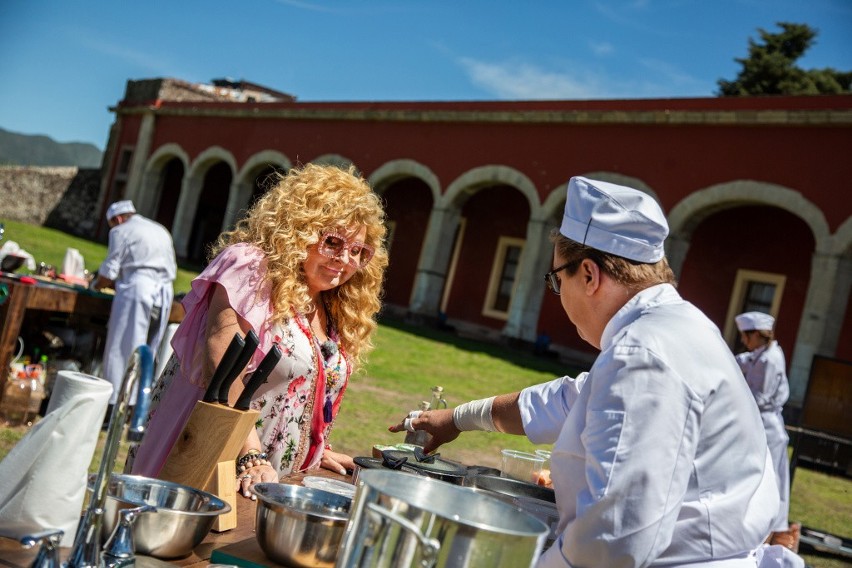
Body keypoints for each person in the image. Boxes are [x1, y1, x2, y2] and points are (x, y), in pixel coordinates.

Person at [391, 176, 802, 567]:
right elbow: (568, 400)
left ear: (588, 275)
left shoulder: (645, 352)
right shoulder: (671, 328)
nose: (557, 294)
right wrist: (458, 418)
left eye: (556, 279)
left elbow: (612, 539)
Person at [126, 163, 387, 499]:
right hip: (217, 456)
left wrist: (315, 446)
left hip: (271, 473)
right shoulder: (252, 267)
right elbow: (221, 363)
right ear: (300, 229)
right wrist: (249, 453)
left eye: (357, 252)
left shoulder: (331, 304)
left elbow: (303, 389)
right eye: (333, 242)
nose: (344, 260)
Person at [93, 200, 177, 411]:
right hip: (164, 293)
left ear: (118, 219)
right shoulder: (159, 229)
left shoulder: (121, 231)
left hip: (137, 290)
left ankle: (114, 404)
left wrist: (95, 284)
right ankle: (136, 403)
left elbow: (109, 271)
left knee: (122, 347)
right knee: (149, 349)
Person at [735, 312, 799, 550]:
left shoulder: (769, 360)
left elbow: (759, 398)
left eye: (745, 336)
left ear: (756, 335)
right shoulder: (762, 355)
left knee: (769, 480)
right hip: (760, 424)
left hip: (767, 428)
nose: (743, 341)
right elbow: (741, 360)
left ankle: (773, 533)